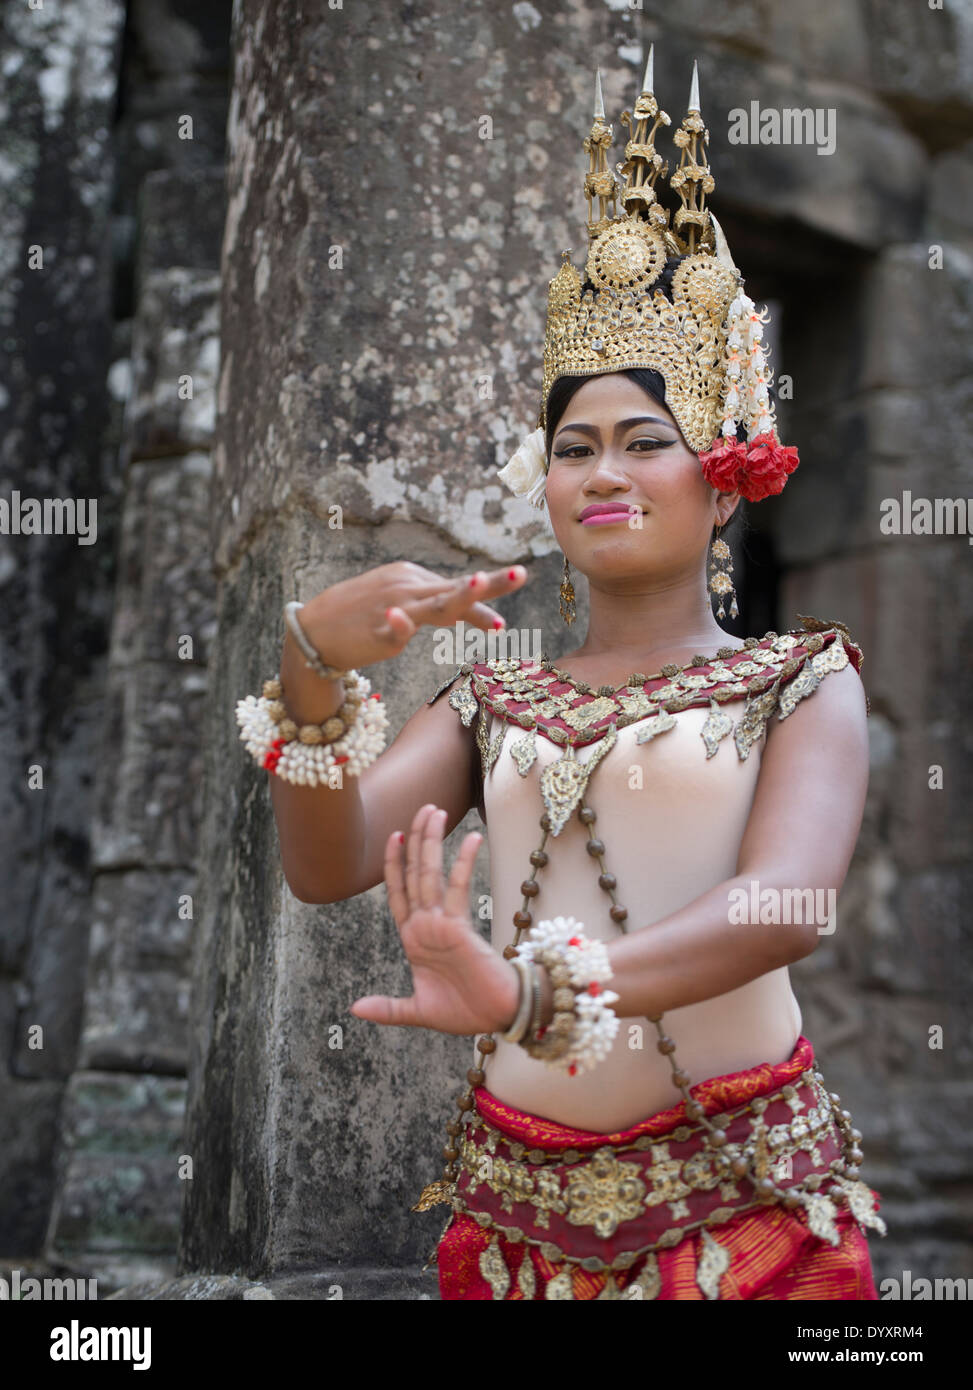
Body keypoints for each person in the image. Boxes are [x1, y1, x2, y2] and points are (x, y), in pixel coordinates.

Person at [235, 52, 886, 1300]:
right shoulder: (493, 703)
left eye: (647, 441)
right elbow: (323, 865)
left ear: (725, 473)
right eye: (572, 445)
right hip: (514, 1225)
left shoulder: (798, 679)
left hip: (750, 1216)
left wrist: (525, 986)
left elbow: (786, 904)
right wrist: (309, 665)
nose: (602, 471)